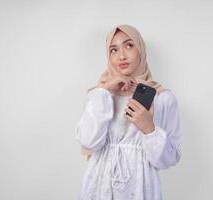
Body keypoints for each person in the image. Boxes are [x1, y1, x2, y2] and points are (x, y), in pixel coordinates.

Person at [75, 24, 182, 200]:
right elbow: (89, 142)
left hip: (141, 188)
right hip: (98, 186)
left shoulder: (162, 98)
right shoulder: (99, 94)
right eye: (113, 49)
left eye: (129, 45)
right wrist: (103, 92)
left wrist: (149, 129)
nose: (121, 56)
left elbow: (170, 158)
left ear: (141, 49)